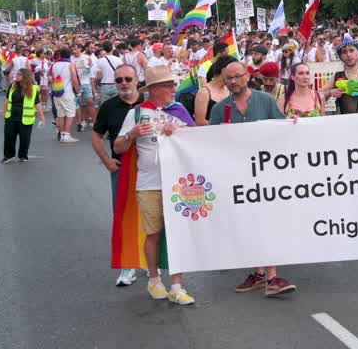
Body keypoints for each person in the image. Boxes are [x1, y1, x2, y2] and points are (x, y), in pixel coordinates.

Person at [211, 60, 296, 296]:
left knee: (267, 222)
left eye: (238, 76)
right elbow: (210, 144)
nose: (234, 82)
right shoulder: (219, 110)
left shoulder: (265, 101)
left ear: (247, 76)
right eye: (229, 78)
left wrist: (294, 125)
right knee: (247, 224)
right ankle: (259, 272)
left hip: (265, 174)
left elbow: (281, 130)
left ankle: (272, 275)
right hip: (237, 178)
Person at [113, 65, 195, 305]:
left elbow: (199, 141)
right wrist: (132, 134)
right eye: (169, 85)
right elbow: (118, 147)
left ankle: (178, 285)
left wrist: (181, 131)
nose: (173, 89)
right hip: (149, 183)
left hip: (178, 184)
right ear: (155, 89)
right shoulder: (136, 114)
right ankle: (154, 280)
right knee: (154, 233)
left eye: (173, 84)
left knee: (177, 233)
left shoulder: (179, 110)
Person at [91, 63, 142, 287]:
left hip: (151, 168)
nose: (123, 84)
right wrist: (107, 160)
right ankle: (127, 266)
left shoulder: (150, 104)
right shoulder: (109, 106)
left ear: (137, 79)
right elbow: (96, 136)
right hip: (122, 169)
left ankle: (151, 262)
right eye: (119, 80)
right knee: (122, 215)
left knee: (153, 215)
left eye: (127, 79)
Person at [3, 66, 44, 163]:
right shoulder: (12, 86)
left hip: (25, 117)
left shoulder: (34, 88)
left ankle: (23, 155)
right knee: (9, 137)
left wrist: (41, 116)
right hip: (11, 116)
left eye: (19, 74)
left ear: (25, 76)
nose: (16, 76)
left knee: (25, 138)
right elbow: (7, 100)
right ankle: (8, 155)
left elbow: (36, 103)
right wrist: (4, 112)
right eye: (17, 74)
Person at [328, 40, 358, 114]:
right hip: (346, 123)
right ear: (341, 57)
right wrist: (330, 93)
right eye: (344, 52)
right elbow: (319, 95)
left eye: (351, 50)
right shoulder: (337, 76)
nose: (348, 55)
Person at [193, 54, 236, 124]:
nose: (235, 75)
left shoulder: (229, 89)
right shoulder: (204, 92)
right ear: (224, 71)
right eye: (233, 71)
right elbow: (200, 122)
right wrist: (221, 125)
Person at [50, 49, 81, 143]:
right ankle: (66, 135)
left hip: (57, 92)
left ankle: (63, 134)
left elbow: (51, 78)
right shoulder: (70, 64)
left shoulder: (55, 64)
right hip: (67, 92)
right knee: (70, 114)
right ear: (69, 55)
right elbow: (75, 80)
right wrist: (78, 92)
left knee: (61, 115)